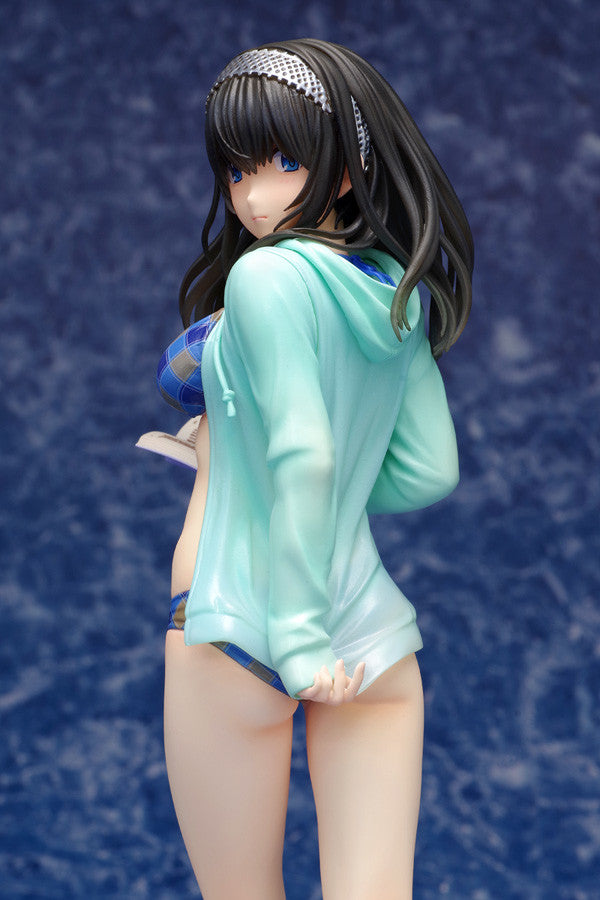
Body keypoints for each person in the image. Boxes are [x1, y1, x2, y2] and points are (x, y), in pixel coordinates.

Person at [157, 38, 473, 900]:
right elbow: (429, 471)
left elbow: (304, 453)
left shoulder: (263, 279)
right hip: (370, 629)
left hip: (236, 620)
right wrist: (335, 489)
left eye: (285, 162)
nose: (255, 197)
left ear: (343, 166)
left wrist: (298, 638)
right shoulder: (395, 293)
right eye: (237, 171)